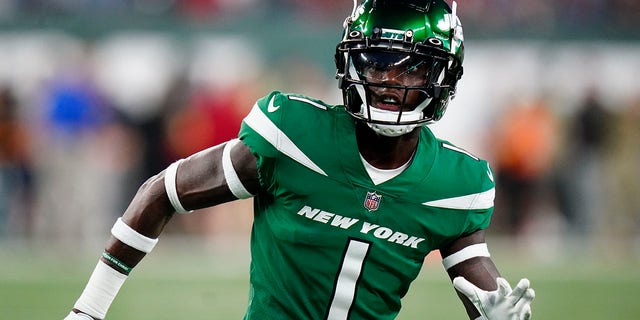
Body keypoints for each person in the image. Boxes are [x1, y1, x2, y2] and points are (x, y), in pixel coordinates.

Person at [64, 1, 535, 319]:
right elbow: (163, 191)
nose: (389, 79)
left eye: (410, 66)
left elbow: (486, 294)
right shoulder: (293, 135)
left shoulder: (457, 185)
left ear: (443, 73)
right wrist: (89, 309)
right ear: (352, 63)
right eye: (376, 60)